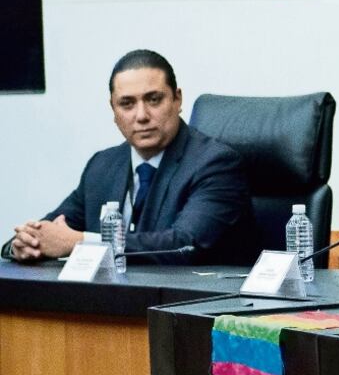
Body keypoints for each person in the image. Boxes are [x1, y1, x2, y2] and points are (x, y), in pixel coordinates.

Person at [1, 49, 259, 265]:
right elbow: (53, 231)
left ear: (177, 99)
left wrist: (79, 243)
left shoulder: (216, 164)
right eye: (127, 104)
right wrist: (24, 244)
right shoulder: (102, 166)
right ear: (113, 110)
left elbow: (183, 246)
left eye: (154, 99)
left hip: (190, 312)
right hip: (113, 309)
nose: (142, 115)